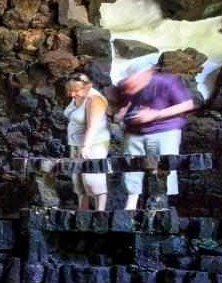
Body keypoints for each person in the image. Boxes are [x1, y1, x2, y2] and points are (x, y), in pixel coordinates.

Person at [114, 65, 196, 209]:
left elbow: (187, 104)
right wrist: (121, 114)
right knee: (131, 169)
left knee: (163, 168)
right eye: (129, 85)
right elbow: (124, 107)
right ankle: (130, 206)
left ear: (146, 75)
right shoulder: (124, 86)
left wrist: (156, 114)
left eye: (134, 84)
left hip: (164, 131)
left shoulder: (166, 82)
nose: (130, 89)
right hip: (134, 132)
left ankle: (159, 206)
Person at [62, 73, 110, 211]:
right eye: (70, 90)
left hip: (94, 143)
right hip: (75, 143)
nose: (72, 94)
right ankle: (83, 213)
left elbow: (92, 126)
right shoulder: (78, 96)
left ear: (88, 87)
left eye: (76, 91)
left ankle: (100, 212)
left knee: (92, 178)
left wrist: (86, 146)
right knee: (77, 180)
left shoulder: (94, 99)